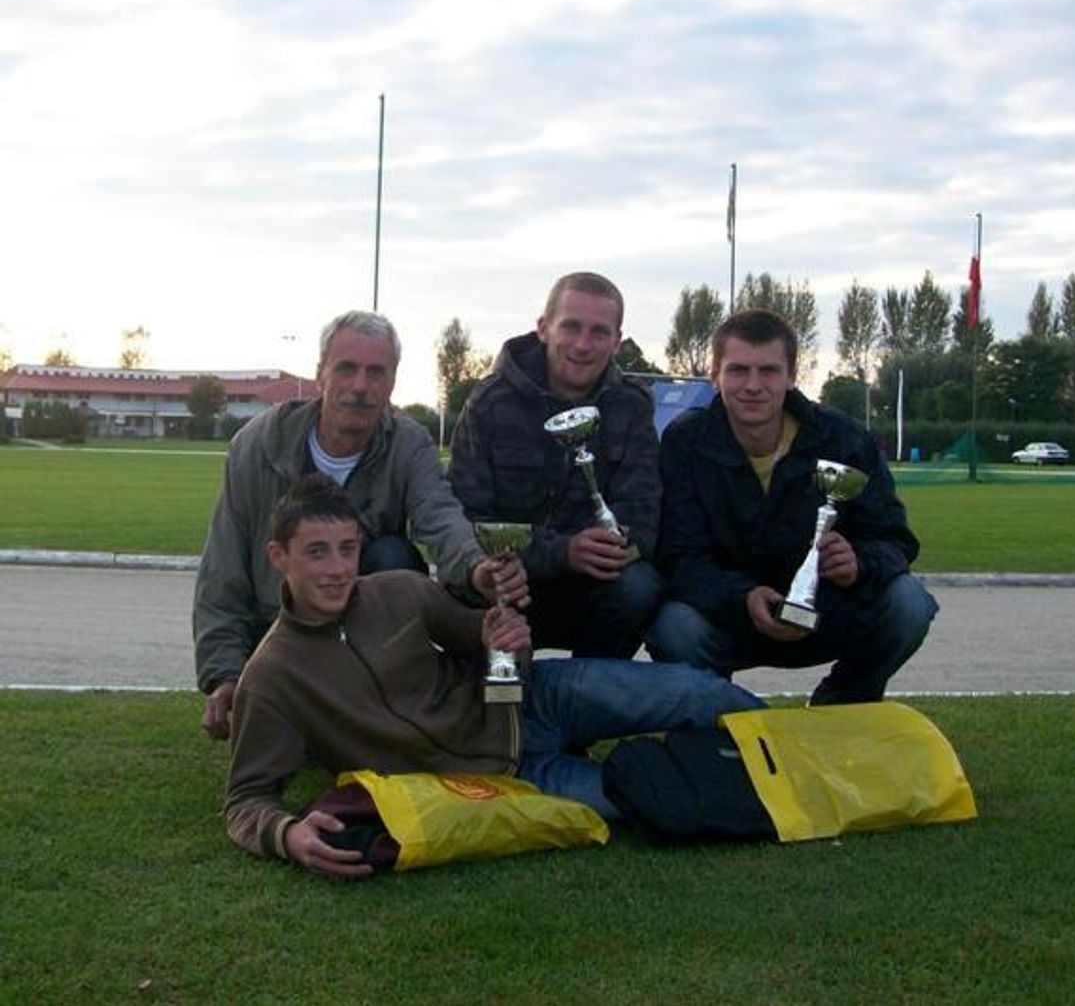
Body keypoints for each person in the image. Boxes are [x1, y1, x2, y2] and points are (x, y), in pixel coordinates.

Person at [225, 474, 763, 876]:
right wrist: (288, 834)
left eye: (347, 549)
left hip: (537, 699)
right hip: (499, 776)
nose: (339, 569)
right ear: (279, 556)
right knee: (662, 793)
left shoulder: (399, 590)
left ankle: (813, 747)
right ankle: (780, 784)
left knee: (696, 690)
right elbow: (247, 798)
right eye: (317, 553)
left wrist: (502, 638)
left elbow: (484, 640)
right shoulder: (272, 676)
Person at [194, 310, 525, 741]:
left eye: (376, 373)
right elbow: (223, 570)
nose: (360, 387)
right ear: (320, 375)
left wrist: (476, 567)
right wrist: (226, 675)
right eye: (346, 369)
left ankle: (412, 708)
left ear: (392, 382)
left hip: (365, 633)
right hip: (280, 629)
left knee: (393, 556)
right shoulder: (256, 446)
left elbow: (440, 516)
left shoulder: (409, 443)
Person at [647, 308, 935, 703]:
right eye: (737, 370)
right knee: (673, 626)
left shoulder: (845, 439)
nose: (753, 385)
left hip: (827, 613)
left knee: (909, 602)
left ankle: (843, 704)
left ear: (792, 375)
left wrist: (857, 564)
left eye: (768, 371)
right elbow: (677, 556)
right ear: (715, 376)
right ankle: (716, 716)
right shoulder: (685, 442)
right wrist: (743, 596)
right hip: (731, 615)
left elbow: (895, 540)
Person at [448, 272, 664, 658]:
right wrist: (562, 551)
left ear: (617, 341)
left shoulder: (633, 406)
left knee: (640, 585)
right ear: (544, 328)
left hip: (590, 587)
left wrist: (619, 545)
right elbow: (466, 514)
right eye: (571, 327)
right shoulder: (489, 403)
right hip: (506, 582)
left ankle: (590, 699)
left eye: (599, 332)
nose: (583, 344)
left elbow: (643, 511)